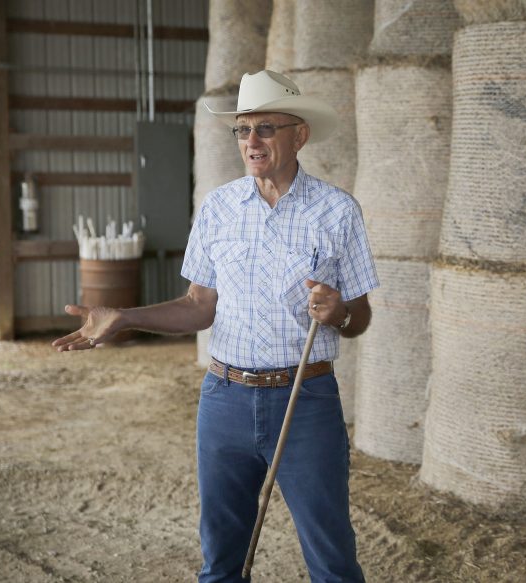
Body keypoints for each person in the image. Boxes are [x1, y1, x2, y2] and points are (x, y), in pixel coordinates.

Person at [52, 70, 376, 583]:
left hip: (306, 397)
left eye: (266, 128)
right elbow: (198, 305)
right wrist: (125, 318)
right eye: (243, 130)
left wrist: (338, 313)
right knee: (220, 561)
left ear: (300, 135)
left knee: (332, 560)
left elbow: (359, 317)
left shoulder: (337, 212)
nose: (252, 141)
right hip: (223, 400)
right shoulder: (218, 209)